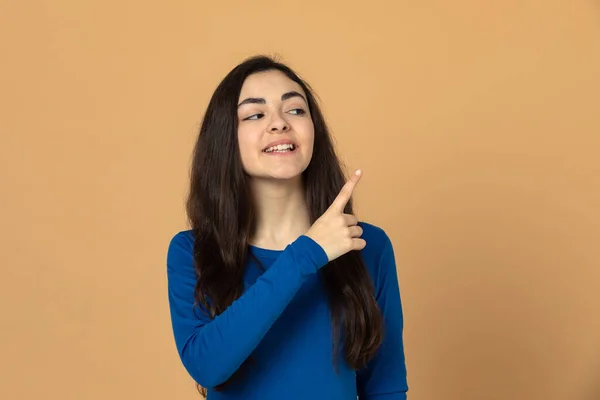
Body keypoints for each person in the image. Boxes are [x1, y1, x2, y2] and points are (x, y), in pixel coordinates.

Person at [166, 55, 408, 399]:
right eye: (255, 114)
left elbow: (386, 388)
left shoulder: (365, 245)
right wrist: (307, 254)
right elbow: (207, 366)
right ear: (225, 140)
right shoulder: (192, 251)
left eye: (295, 110)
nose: (279, 123)